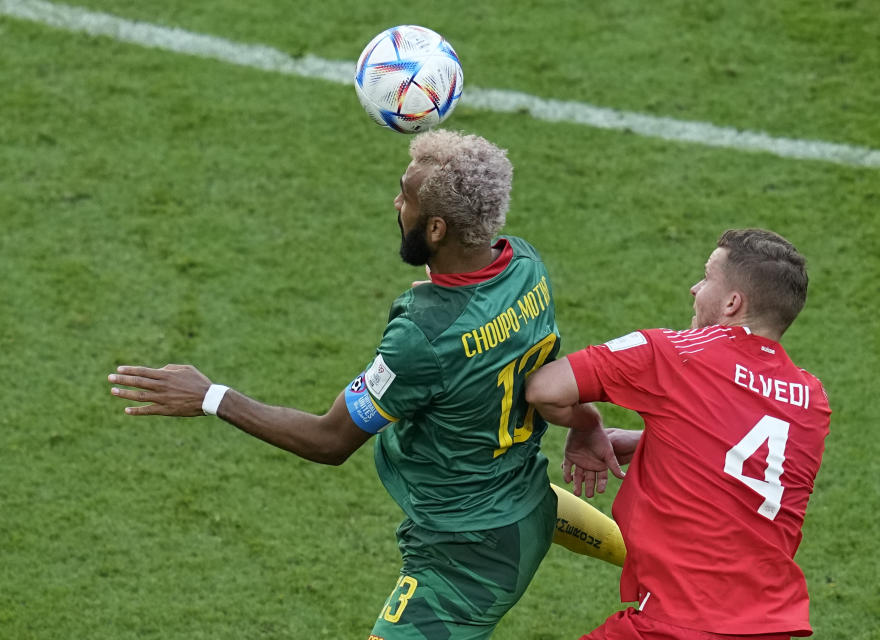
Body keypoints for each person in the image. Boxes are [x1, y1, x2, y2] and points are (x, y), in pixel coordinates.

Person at [108, 129, 621, 639]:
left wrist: (210, 397)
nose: (396, 203)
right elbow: (537, 377)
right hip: (525, 500)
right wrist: (585, 418)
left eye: (406, 196)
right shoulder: (525, 266)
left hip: (466, 558)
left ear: (437, 228)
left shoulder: (423, 338)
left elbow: (329, 441)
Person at [526, 229, 831, 640]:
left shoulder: (678, 354)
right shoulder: (810, 398)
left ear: (732, 303)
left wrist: (588, 426)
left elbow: (544, 389)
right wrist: (646, 441)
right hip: (769, 626)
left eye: (706, 278)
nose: (694, 288)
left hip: (680, 625)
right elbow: (749, 455)